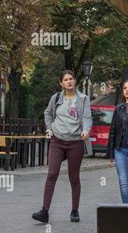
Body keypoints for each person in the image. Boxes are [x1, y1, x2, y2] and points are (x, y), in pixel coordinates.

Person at [32, 70, 92, 223]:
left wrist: (86, 130)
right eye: (65, 80)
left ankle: (74, 211)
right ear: (61, 83)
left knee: (74, 177)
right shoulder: (56, 98)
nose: (69, 81)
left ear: (75, 81)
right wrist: (49, 128)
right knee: (52, 174)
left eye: (71, 79)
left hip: (75, 142)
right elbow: (48, 113)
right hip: (57, 141)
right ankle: (44, 211)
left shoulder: (83, 99)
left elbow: (87, 117)